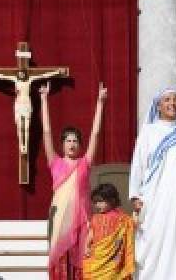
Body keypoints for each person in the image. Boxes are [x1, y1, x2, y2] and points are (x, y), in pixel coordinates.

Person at [127, 87, 176, 280]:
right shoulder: (148, 131)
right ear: (158, 106)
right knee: (153, 242)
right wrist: (135, 194)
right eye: (167, 100)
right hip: (154, 198)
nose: (172, 103)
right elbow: (138, 163)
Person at [39, 81, 107, 280]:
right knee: (60, 264)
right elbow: (46, 132)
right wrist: (44, 100)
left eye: (75, 140)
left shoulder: (85, 163)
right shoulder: (55, 162)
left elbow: (95, 134)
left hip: (82, 220)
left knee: (83, 264)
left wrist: (100, 103)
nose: (72, 143)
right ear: (62, 145)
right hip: (59, 220)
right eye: (68, 140)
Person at [81, 183, 135, 280]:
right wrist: (86, 247)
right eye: (95, 202)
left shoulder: (123, 219)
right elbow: (91, 235)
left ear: (112, 200)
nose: (97, 205)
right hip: (97, 259)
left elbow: (131, 230)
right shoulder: (96, 218)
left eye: (101, 201)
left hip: (113, 262)